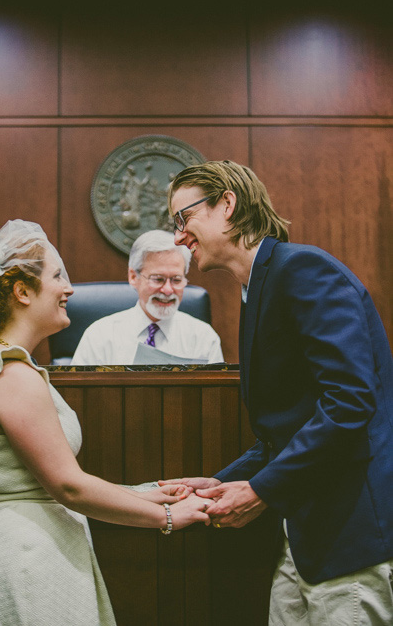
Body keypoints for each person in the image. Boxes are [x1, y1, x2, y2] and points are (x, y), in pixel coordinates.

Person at [0, 219, 210, 626]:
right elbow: (68, 486)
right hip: (27, 560)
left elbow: (40, 483)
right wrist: (167, 517)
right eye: (58, 276)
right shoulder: (13, 377)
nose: (69, 289)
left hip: (17, 548)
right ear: (22, 291)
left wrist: (155, 492)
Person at [162, 161, 393, 625]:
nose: (178, 237)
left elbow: (349, 403)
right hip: (304, 532)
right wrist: (222, 480)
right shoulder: (259, 284)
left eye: (183, 218)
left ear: (227, 203)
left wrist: (261, 491)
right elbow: (287, 430)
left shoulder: (302, 269)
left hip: (350, 537)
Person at [71, 229, 223, 365]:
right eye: (158, 279)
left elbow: (213, 395)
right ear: (133, 277)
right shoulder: (100, 335)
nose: (168, 290)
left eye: (176, 280)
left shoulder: (203, 337)